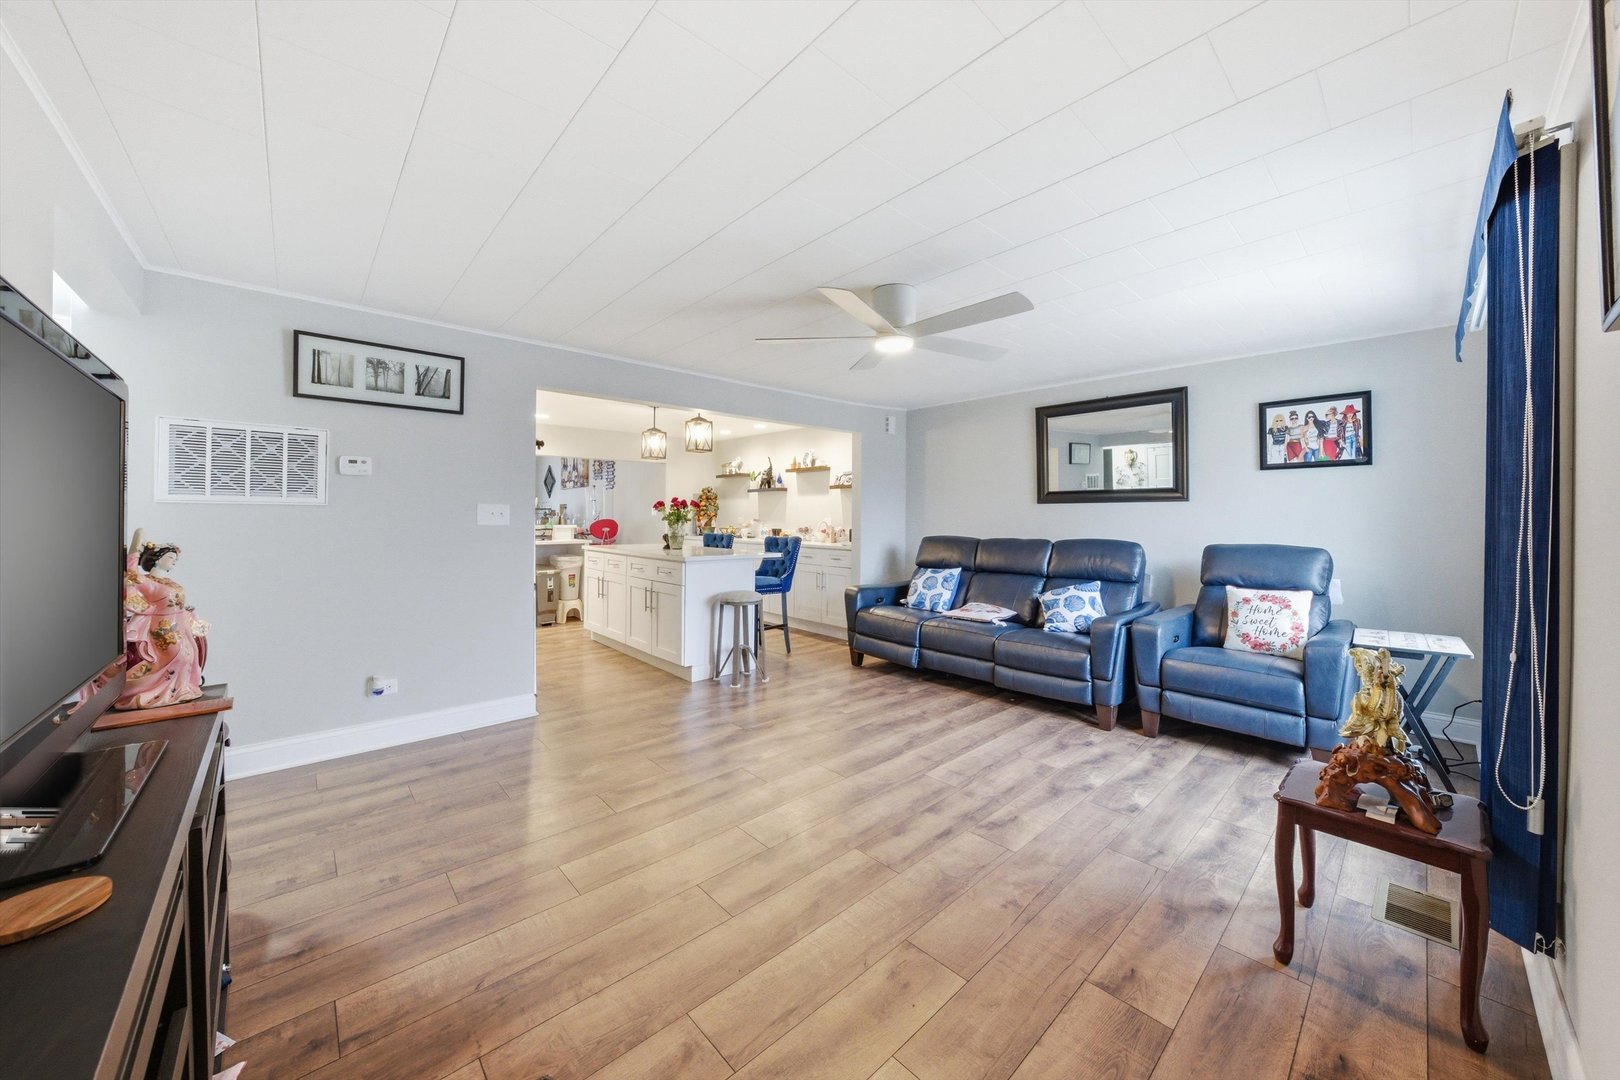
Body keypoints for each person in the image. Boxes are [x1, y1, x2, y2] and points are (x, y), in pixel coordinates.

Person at [115, 530, 211, 710]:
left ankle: (181, 689)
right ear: (158, 558)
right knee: (177, 656)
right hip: (163, 626)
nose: (174, 561)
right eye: (170, 557)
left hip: (181, 624)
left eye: (175, 558)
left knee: (189, 656)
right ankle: (152, 691)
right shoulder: (146, 581)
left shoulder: (169, 582)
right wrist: (135, 549)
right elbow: (129, 576)